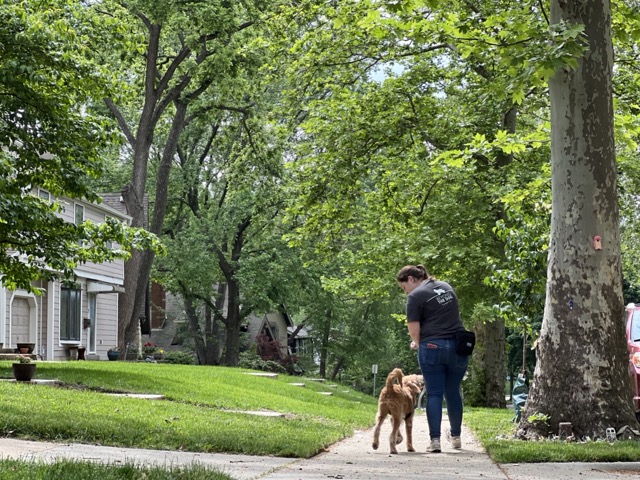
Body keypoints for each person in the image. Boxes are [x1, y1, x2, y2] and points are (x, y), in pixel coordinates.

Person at [396, 264, 469, 453]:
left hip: (431, 347)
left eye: (404, 287)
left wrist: (416, 342)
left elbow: (413, 328)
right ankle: (456, 437)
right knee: (453, 392)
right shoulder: (446, 287)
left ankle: (435, 441)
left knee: (434, 394)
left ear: (411, 279)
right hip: (458, 346)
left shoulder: (415, 296)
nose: (405, 293)